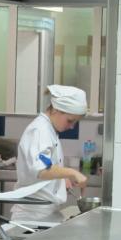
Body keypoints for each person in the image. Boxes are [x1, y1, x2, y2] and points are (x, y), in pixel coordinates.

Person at [10, 85, 89, 224]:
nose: (72, 127)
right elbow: (41, 170)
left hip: (45, 213)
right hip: (31, 217)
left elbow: (48, 164)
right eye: (70, 121)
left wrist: (59, 180)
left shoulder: (50, 130)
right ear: (56, 110)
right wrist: (70, 172)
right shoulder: (39, 130)